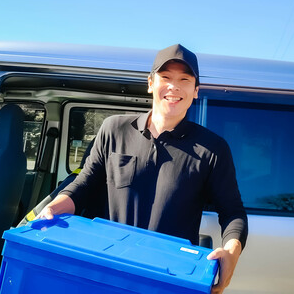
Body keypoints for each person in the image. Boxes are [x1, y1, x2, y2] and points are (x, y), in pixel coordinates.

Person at [37, 44, 248, 294]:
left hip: (168, 278)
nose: (174, 86)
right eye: (165, 77)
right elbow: (84, 183)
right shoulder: (113, 130)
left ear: (195, 91)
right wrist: (54, 207)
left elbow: (232, 211)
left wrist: (232, 252)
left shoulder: (213, 149)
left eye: (184, 79)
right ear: (150, 83)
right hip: (107, 269)